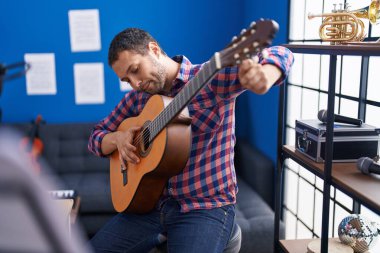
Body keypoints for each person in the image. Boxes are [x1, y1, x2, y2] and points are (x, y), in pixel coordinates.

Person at [88, 27, 294, 253]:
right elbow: (96, 137)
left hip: (205, 207)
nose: (135, 83)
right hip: (151, 208)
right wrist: (117, 138)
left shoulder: (209, 79)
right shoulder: (137, 100)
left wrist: (266, 75)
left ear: (154, 50)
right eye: (127, 79)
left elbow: (281, 52)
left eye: (135, 70)